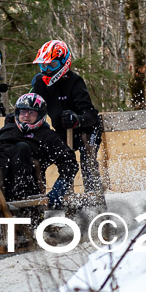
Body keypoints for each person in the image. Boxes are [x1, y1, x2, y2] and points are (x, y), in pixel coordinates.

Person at [31, 40, 103, 195]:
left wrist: (77, 119)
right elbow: (33, 106)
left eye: (52, 65)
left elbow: (91, 115)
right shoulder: (40, 83)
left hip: (86, 130)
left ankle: (94, 195)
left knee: (87, 157)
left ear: (64, 63)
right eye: (44, 65)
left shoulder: (75, 82)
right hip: (62, 131)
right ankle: (42, 196)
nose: (48, 70)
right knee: (39, 154)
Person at [0, 93, 78, 207]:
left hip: (28, 188)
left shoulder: (47, 136)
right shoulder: (8, 129)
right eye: (23, 112)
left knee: (21, 148)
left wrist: (60, 187)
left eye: (31, 113)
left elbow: (69, 162)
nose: (26, 116)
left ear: (40, 115)